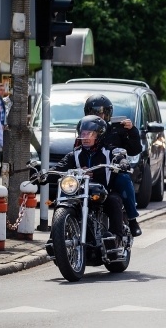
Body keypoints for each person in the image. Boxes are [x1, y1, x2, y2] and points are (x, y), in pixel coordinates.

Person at [49, 115, 125, 245]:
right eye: (83, 133)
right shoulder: (75, 154)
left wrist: (122, 162)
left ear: (99, 135)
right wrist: (44, 175)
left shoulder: (108, 152)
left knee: (114, 200)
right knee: (62, 200)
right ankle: (55, 238)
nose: (85, 137)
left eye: (90, 133)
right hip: (80, 192)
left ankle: (116, 237)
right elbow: (60, 167)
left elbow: (119, 157)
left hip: (102, 191)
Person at [84, 94, 144, 237]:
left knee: (123, 179)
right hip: (90, 171)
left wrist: (132, 131)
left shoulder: (117, 129)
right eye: (96, 112)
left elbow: (134, 150)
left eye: (104, 112)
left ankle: (132, 219)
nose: (101, 115)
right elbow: (75, 152)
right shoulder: (84, 129)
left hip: (112, 172)